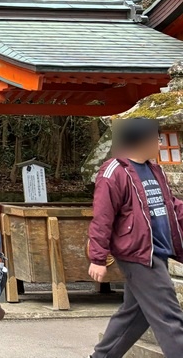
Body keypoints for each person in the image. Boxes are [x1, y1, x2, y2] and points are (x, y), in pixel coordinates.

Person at [88, 118, 183, 358]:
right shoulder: (113, 172)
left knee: (135, 315)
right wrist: (97, 258)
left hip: (157, 250)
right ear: (144, 141)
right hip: (138, 254)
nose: (161, 143)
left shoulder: (154, 169)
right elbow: (102, 217)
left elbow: (170, 206)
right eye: (157, 138)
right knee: (169, 317)